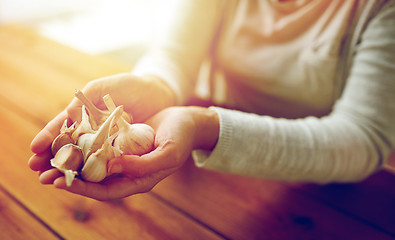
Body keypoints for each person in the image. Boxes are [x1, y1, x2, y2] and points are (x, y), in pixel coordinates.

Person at [29, 0, 395, 200]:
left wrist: (204, 127)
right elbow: (174, 55)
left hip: (325, 191)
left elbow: (363, 137)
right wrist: (156, 85)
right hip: (212, 174)